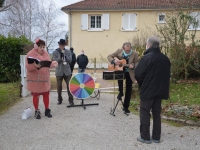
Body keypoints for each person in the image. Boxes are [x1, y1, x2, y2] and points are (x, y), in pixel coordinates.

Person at [135, 36, 171, 144]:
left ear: (149, 45)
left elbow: (138, 73)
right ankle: (156, 137)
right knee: (156, 113)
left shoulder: (147, 58)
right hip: (160, 90)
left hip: (148, 91)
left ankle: (145, 137)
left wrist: (142, 84)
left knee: (145, 112)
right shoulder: (165, 58)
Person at [25, 38, 58, 119]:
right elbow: (27, 66)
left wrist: (53, 64)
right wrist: (34, 66)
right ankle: (37, 111)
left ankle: (47, 110)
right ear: (36, 47)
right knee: (36, 95)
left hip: (44, 79)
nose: (42, 49)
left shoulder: (46, 54)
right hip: (35, 80)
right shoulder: (30, 54)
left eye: (43, 47)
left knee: (46, 94)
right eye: (41, 47)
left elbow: (48, 64)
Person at [107, 42, 139, 113]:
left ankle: (126, 107)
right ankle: (120, 92)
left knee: (128, 89)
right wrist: (114, 61)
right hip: (120, 70)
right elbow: (109, 56)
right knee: (119, 79)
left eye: (129, 50)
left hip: (130, 72)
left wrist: (134, 66)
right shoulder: (119, 51)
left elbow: (137, 62)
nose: (128, 51)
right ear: (123, 48)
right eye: (126, 50)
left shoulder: (134, 53)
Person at [52, 39, 74, 106]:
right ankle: (59, 99)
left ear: (64, 45)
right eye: (61, 45)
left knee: (69, 86)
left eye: (63, 45)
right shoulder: (55, 52)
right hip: (59, 71)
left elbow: (70, 60)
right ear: (59, 45)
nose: (62, 46)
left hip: (67, 72)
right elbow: (54, 61)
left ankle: (71, 100)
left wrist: (65, 56)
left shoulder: (68, 51)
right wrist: (60, 57)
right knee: (59, 87)